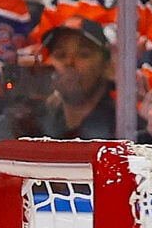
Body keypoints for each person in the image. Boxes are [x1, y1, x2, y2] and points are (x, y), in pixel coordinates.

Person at [8, 14, 123, 142]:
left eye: (83, 54)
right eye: (60, 55)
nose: (69, 62)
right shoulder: (33, 126)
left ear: (107, 67)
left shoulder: (124, 131)